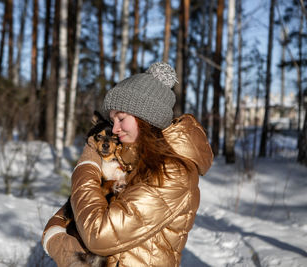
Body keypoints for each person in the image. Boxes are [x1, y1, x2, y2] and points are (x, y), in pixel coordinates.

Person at [42, 62, 214, 266]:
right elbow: (82, 210)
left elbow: (98, 235)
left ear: (145, 118)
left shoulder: (172, 173)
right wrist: (60, 231)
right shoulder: (129, 161)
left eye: (121, 119)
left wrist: (87, 165)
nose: (114, 129)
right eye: (113, 120)